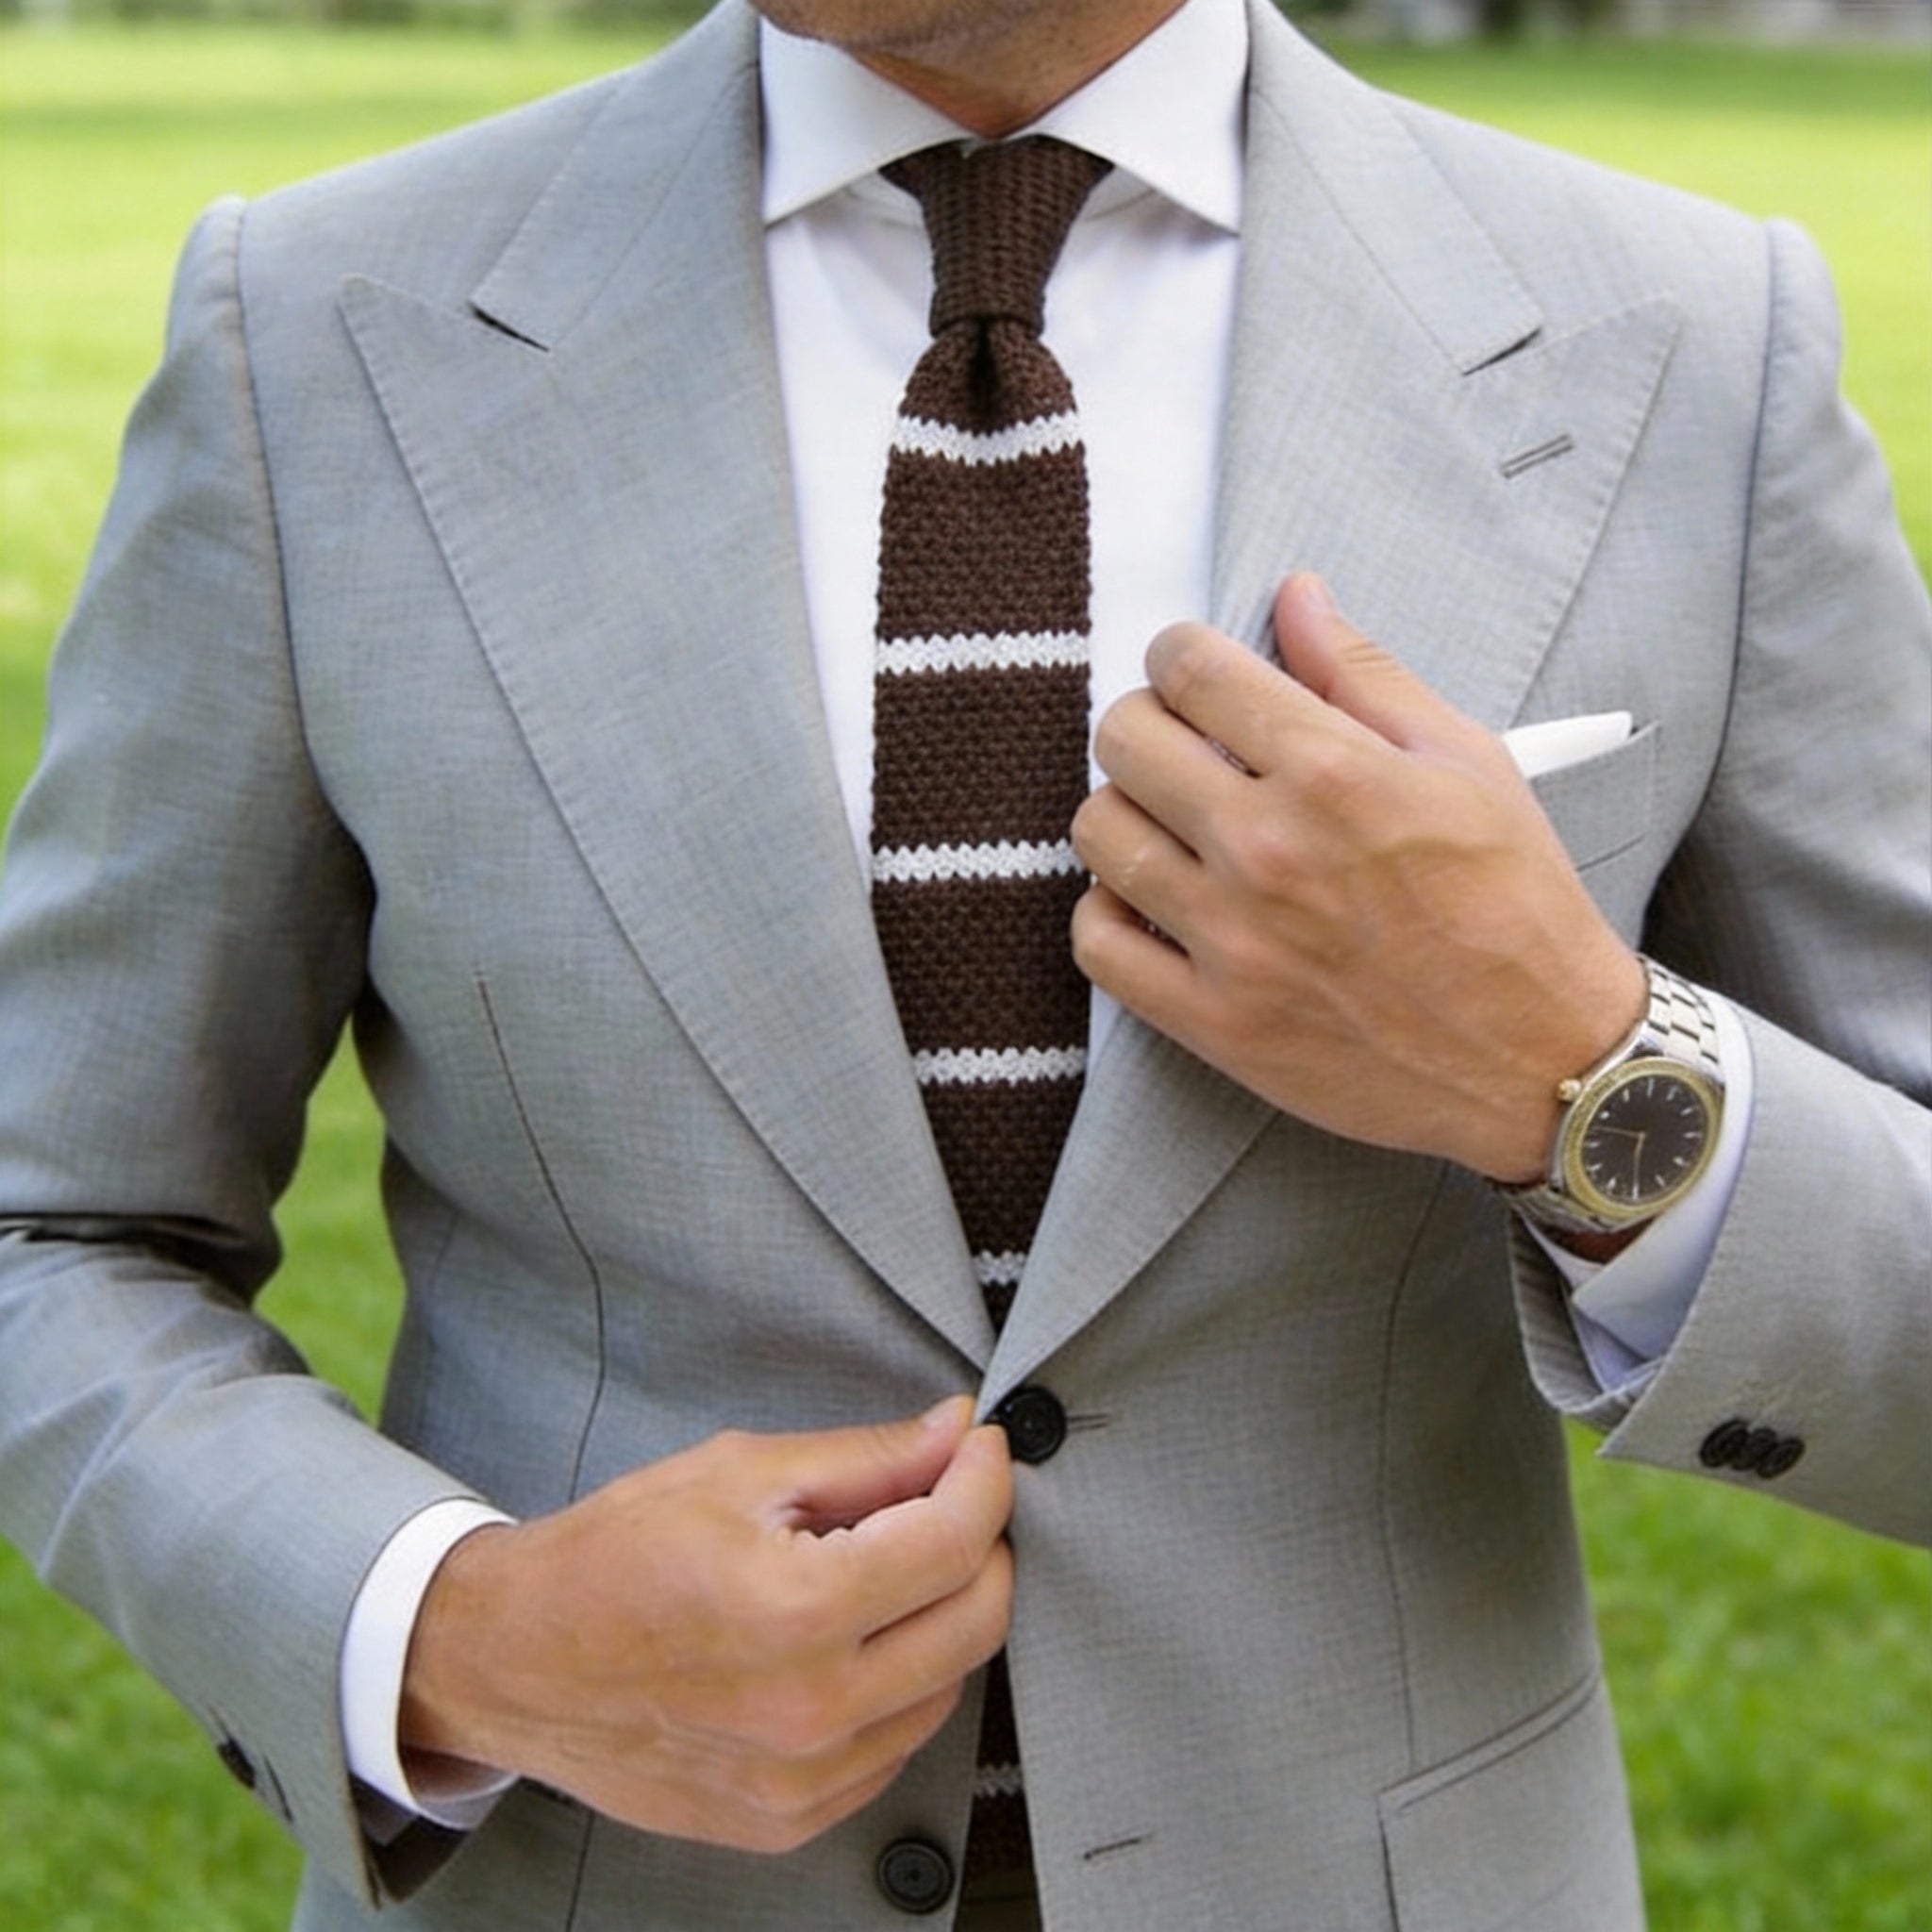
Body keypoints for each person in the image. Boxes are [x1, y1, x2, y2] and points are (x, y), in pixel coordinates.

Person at [0, 0, 1924, 1927]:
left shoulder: (1692, 347)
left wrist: (1582, 1079)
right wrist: (456, 1632)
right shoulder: (316, 329)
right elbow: (54, 1227)